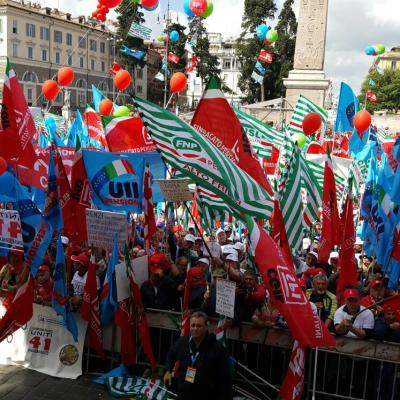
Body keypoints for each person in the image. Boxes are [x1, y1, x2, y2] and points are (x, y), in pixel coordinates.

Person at [164, 311, 232, 400]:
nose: (195, 328)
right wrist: (168, 370)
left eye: (199, 326)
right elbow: (171, 353)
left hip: (206, 395)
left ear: (206, 327)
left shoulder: (217, 349)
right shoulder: (183, 342)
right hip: (184, 394)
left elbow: (225, 379)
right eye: (193, 325)